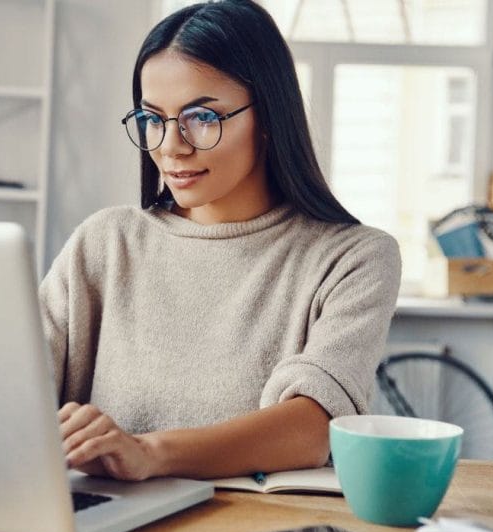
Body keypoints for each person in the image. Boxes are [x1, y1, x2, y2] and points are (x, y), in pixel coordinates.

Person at [39, 0, 401, 482]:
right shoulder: (103, 243)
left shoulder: (353, 259)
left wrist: (149, 452)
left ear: (269, 116)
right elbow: (14, 385)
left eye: (201, 118)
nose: (171, 146)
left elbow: (312, 428)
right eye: (152, 119)